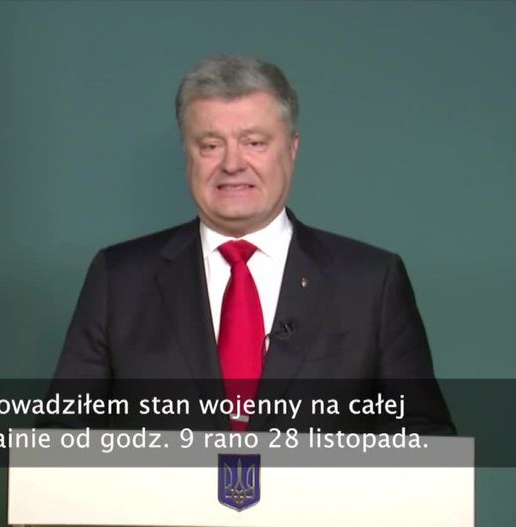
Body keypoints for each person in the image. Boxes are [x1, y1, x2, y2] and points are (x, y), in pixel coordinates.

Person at [48, 55, 454, 435]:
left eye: (254, 142)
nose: (232, 164)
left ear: (292, 148)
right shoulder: (118, 280)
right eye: (210, 145)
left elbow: (427, 448)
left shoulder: (371, 283)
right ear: (187, 154)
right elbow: (61, 442)